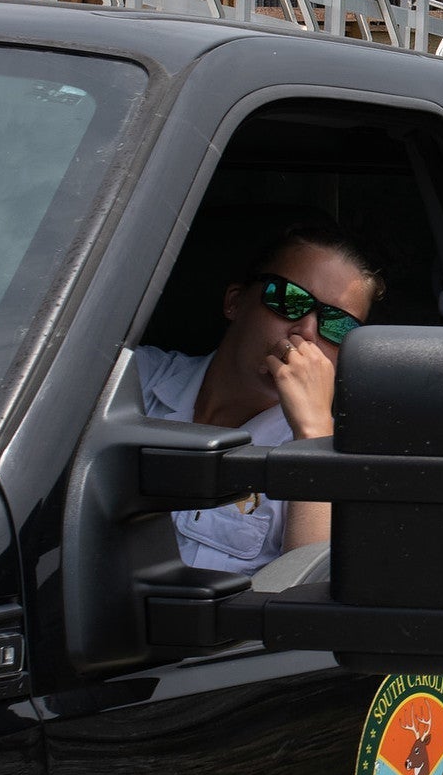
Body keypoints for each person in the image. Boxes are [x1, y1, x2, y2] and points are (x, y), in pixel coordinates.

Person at [130, 217, 383, 573]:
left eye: (337, 324)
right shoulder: (135, 380)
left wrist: (311, 434)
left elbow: (310, 600)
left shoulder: (339, 458)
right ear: (235, 302)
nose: (307, 331)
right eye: (288, 299)